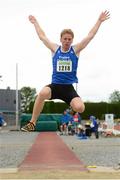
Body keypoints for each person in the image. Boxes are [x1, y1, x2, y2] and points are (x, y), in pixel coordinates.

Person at [21, 11, 110, 132]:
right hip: (55, 86)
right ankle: (32, 122)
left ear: (72, 40)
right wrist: (35, 23)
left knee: (80, 108)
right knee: (42, 93)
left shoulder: (76, 50)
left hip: (68, 89)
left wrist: (99, 21)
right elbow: (42, 36)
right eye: (65, 39)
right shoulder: (55, 49)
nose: (67, 41)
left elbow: (90, 36)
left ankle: (71, 105)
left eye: (69, 39)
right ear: (61, 39)